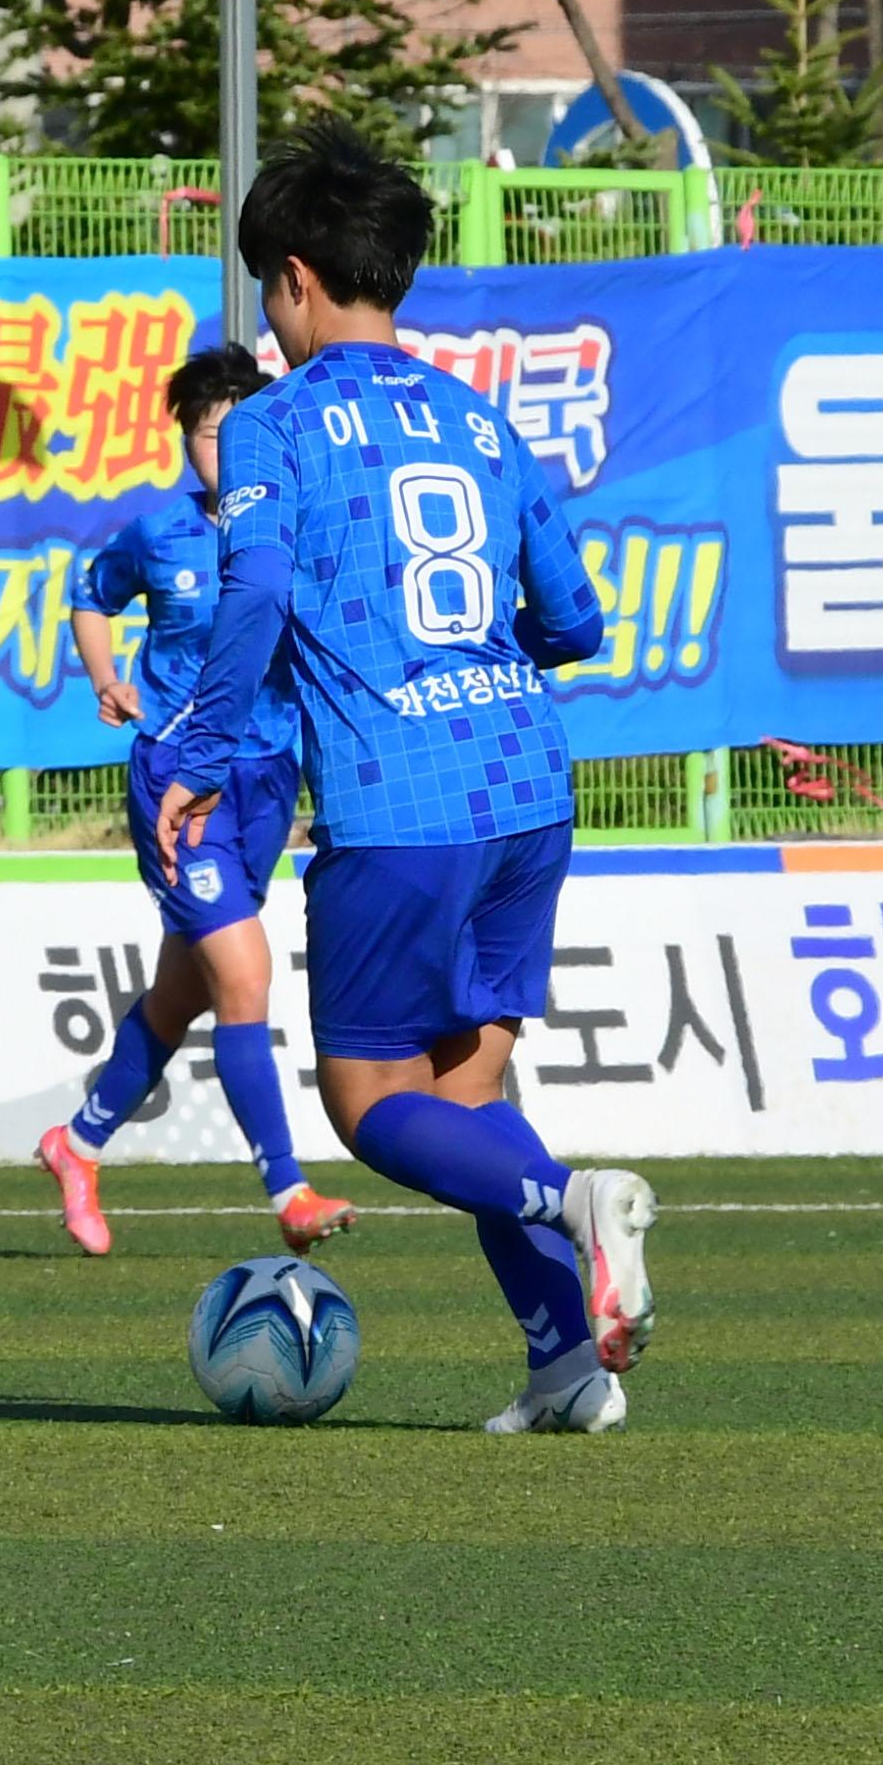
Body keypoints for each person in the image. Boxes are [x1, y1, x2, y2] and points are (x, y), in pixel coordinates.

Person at [156, 119, 657, 1435]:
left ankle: (573, 1201)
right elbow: (576, 621)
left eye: (271, 286)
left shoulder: (272, 426)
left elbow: (256, 583)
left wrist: (199, 752)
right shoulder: (481, 417)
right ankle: (568, 1367)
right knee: (468, 1094)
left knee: (373, 1107)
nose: (271, 314)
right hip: (526, 784)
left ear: (300, 279)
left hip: (400, 801)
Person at [41, 346, 353, 1257]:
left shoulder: (298, 533)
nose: (219, 447)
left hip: (266, 784)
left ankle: (78, 1141)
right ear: (184, 442)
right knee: (246, 979)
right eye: (205, 431)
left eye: (236, 430)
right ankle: (287, 1187)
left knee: (181, 995)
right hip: (180, 778)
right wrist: (107, 679)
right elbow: (90, 596)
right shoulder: (160, 534)